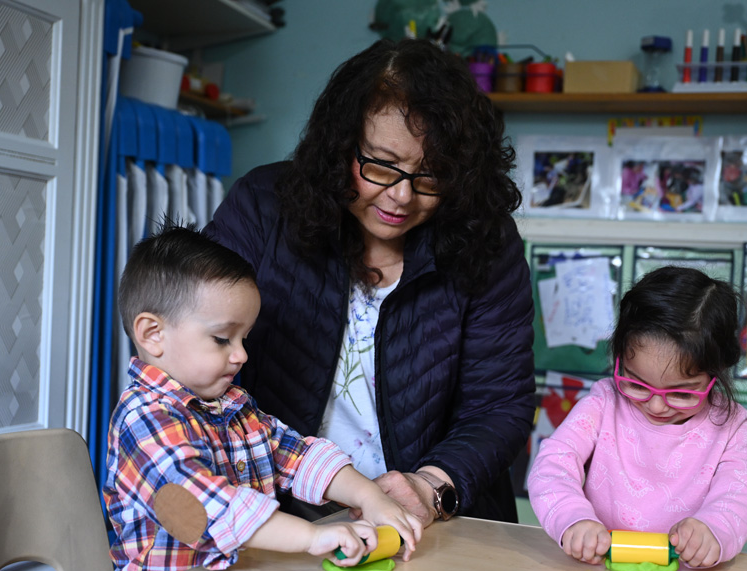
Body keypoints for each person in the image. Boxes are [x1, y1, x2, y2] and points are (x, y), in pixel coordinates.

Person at [206, 39, 535, 527]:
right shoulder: (262, 206)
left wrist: (430, 487)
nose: (401, 196)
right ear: (341, 145)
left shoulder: (485, 239)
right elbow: (191, 344)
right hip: (271, 516)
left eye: (432, 177)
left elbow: (501, 405)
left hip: (428, 521)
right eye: (380, 165)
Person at [99, 222, 422, 571]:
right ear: (153, 334)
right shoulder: (144, 420)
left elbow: (297, 457)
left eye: (244, 338)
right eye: (222, 338)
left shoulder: (233, 406)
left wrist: (369, 496)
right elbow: (207, 508)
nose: (241, 355)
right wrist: (312, 535)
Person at [527, 266, 747, 569]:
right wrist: (573, 518)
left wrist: (713, 530)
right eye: (637, 384)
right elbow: (552, 466)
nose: (656, 406)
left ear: (715, 375)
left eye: (681, 394)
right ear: (621, 360)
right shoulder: (604, 402)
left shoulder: (731, 426)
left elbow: (739, 495)